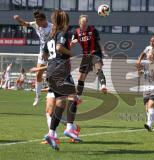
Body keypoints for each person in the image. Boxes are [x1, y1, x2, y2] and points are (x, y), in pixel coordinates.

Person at [43, 10, 81, 150]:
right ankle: (70, 128)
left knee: (60, 102)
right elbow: (59, 47)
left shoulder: (49, 36)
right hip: (61, 70)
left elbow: (45, 55)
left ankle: (52, 134)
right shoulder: (63, 33)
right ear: (64, 22)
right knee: (74, 97)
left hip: (51, 71)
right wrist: (71, 53)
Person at [14, 10, 52, 106]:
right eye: (36, 22)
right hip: (42, 53)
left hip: (52, 53)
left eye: (38, 22)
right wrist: (18, 19)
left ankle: (54, 93)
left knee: (52, 75)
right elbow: (25, 23)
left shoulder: (52, 27)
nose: (37, 24)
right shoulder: (36, 24)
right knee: (38, 74)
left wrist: (48, 52)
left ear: (44, 20)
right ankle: (37, 96)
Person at [71, 15, 107, 101]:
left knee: (98, 68)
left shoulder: (93, 30)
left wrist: (104, 52)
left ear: (87, 23)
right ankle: (78, 96)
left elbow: (99, 42)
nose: (83, 26)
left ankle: (103, 86)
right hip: (86, 56)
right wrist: (73, 42)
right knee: (81, 77)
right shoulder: (76, 32)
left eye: (85, 24)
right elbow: (70, 45)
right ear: (79, 24)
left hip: (95, 53)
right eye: (82, 25)